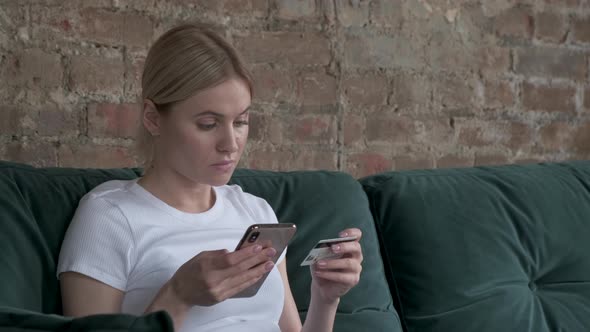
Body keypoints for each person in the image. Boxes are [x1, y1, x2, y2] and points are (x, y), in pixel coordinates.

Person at [57, 23, 363, 332]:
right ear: (152, 118)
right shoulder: (110, 217)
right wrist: (178, 295)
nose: (230, 144)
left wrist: (325, 299)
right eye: (207, 123)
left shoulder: (255, 211)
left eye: (241, 121)